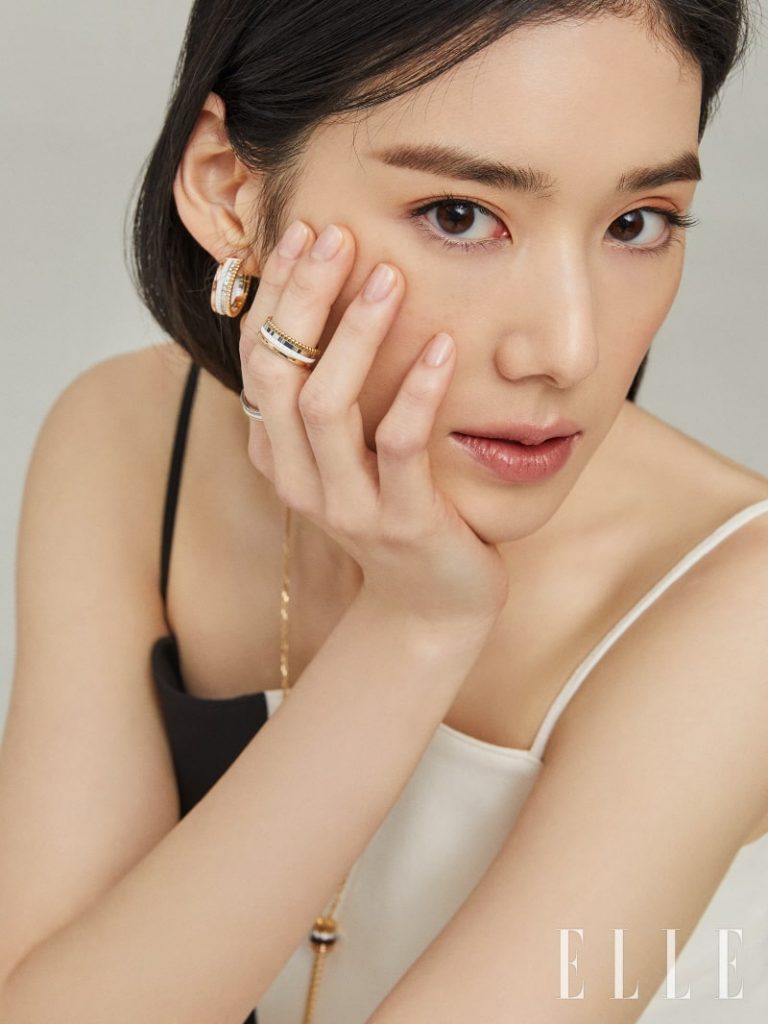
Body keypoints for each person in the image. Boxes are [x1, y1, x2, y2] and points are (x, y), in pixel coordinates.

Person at [1, 0, 767, 1022]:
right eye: (459, 215)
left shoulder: (742, 605)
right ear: (229, 188)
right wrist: (415, 624)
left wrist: (418, 619)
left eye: (638, 223)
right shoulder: (128, 440)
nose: (567, 349)